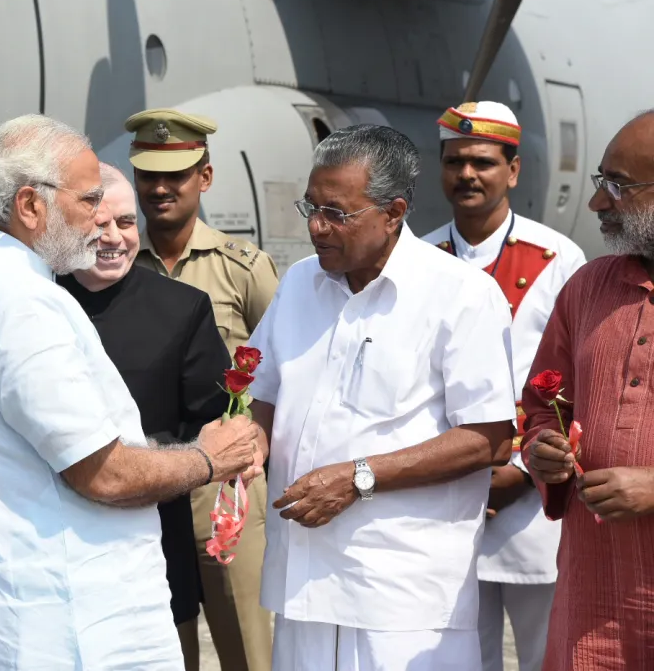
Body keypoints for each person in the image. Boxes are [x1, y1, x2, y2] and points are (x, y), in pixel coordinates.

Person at [0, 114, 262, 671]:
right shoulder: (22, 301)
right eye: (89, 199)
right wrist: (206, 459)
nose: (100, 220)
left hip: (19, 609)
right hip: (62, 623)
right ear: (30, 206)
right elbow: (104, 474)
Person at [246, 124, 517, 671]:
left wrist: (358, 477)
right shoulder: (299, 283)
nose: (317, 227)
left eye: (337, 213)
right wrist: (245, 443)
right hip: (303, 582)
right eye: (311, 207)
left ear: (393, 213)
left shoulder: (460, 294)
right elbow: (264, 396)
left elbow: (488, 439)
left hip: (401, 594)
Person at [422, 101, 586, 671]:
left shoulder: (559, 258)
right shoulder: (419, 259)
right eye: (455, 161)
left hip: (533, 498)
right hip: (447, 491)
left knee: (549, 652)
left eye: (483, 162)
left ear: (512, 171)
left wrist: (520, 472)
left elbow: (573, 374)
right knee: (459, 654)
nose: (467, 174)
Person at [57, 163, 231, 670]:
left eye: (127, 223)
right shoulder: (38, 301)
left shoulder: (182, 308)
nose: (114, 237)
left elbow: (214, 420)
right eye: (99, 223)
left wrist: (147, 459)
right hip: (57, 542)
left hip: (152, 535)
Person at [126, 108, 277, 671]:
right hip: (148, 483)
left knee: (249, 648)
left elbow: (279, 374)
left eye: (177, 175)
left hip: (227, 493)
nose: (160, 188)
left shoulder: (244, 269)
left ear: (205, 179)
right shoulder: (117, 271)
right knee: (163, 649)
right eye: (148, 176)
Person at [523, 110, 654, 670]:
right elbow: (540, 409)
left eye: (617, 186)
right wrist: (543, 451)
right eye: (602, 182)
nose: (598, 202)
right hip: (592, 598)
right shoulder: (587, 288)